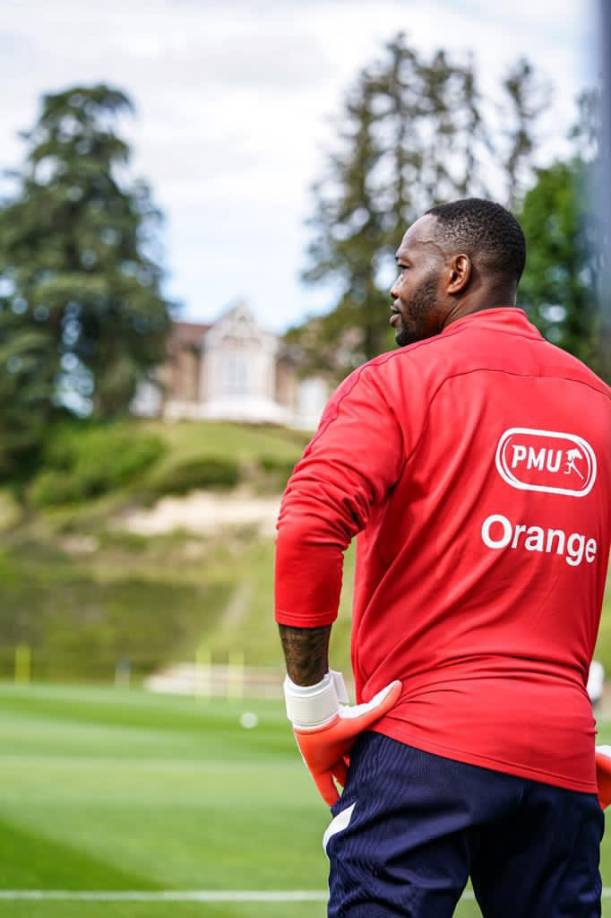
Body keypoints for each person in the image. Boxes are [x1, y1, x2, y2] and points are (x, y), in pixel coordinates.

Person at [274, 198, 611, 917]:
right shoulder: (599, 403)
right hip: (561, 757)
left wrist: (311, 704)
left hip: (423, 742)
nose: (393, 287)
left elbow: (308, 525)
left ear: (456, 273)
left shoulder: (395, 382)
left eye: (405, 266)